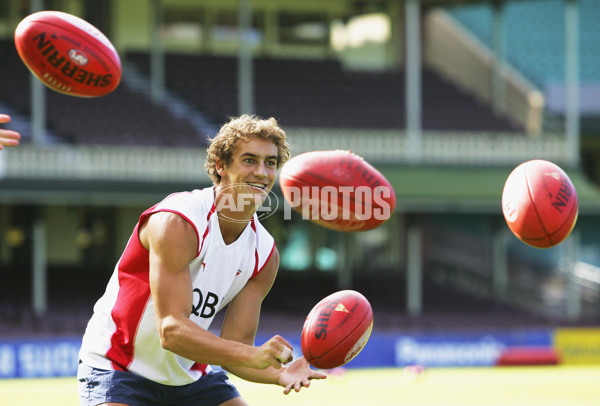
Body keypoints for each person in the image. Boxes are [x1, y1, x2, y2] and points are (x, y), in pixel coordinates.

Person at [78, 114, 326, 406]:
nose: (261, 172)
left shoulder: (265, 254)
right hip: (119, 367)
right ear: (221, 166)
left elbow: (237, 349)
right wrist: (250, 354)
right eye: (249, 160)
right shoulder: (178, 220)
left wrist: (280, 373)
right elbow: (171, 331)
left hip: (193, 376)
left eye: (270, 163)